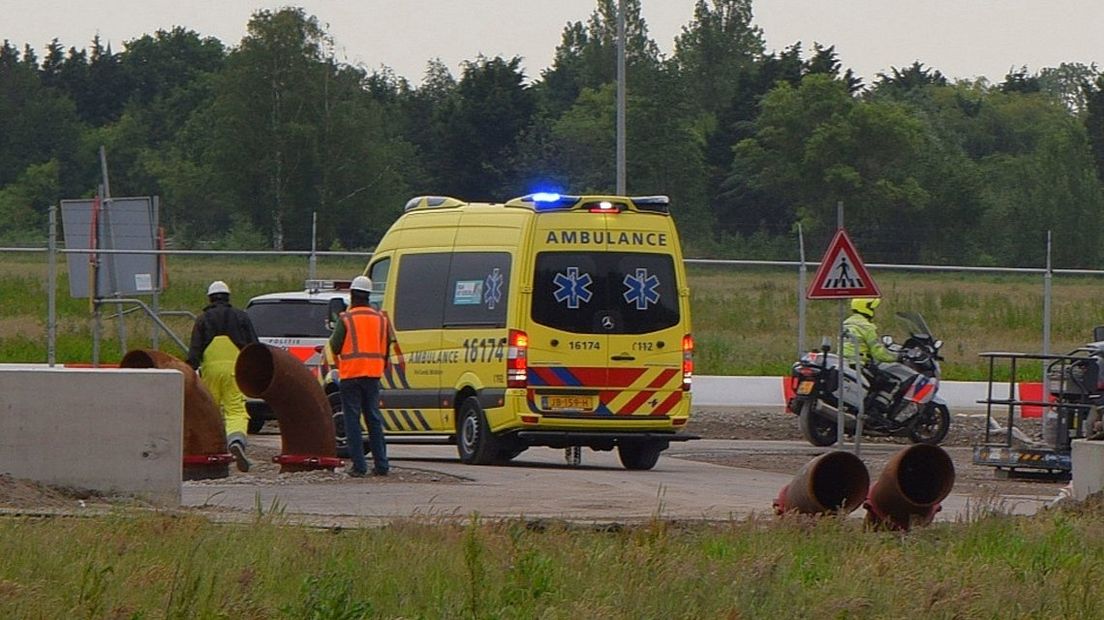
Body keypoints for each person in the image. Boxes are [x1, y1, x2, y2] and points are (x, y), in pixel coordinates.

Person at [187, 280, 259, 472]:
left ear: (210, 298)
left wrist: (189, 370)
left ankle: (211, 449)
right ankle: (236, 440)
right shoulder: (241, 317)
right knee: (235, 409)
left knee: (209, 410)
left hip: (210, 370)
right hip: (235, 369)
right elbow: (253, 345)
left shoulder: (202, 320)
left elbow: (194, 351)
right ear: (228, 297)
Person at [330, 275, 392, 477]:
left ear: (352, 295)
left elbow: (335, 345)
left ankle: (359, 466)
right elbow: (386, 347)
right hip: (373, 374)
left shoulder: (346, 319)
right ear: (368, 295)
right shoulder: (381, 319)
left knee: (352, 420)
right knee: (374, 418)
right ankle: (382, 465)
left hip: (351, 374)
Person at [841, 297, 897, 366]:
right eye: (872, 308)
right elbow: (878, 353)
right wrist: (898, 357)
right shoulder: (866, 327)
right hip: (860, 364)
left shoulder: (846, 323)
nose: (873, 311)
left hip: (844, 364)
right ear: (866, 308)